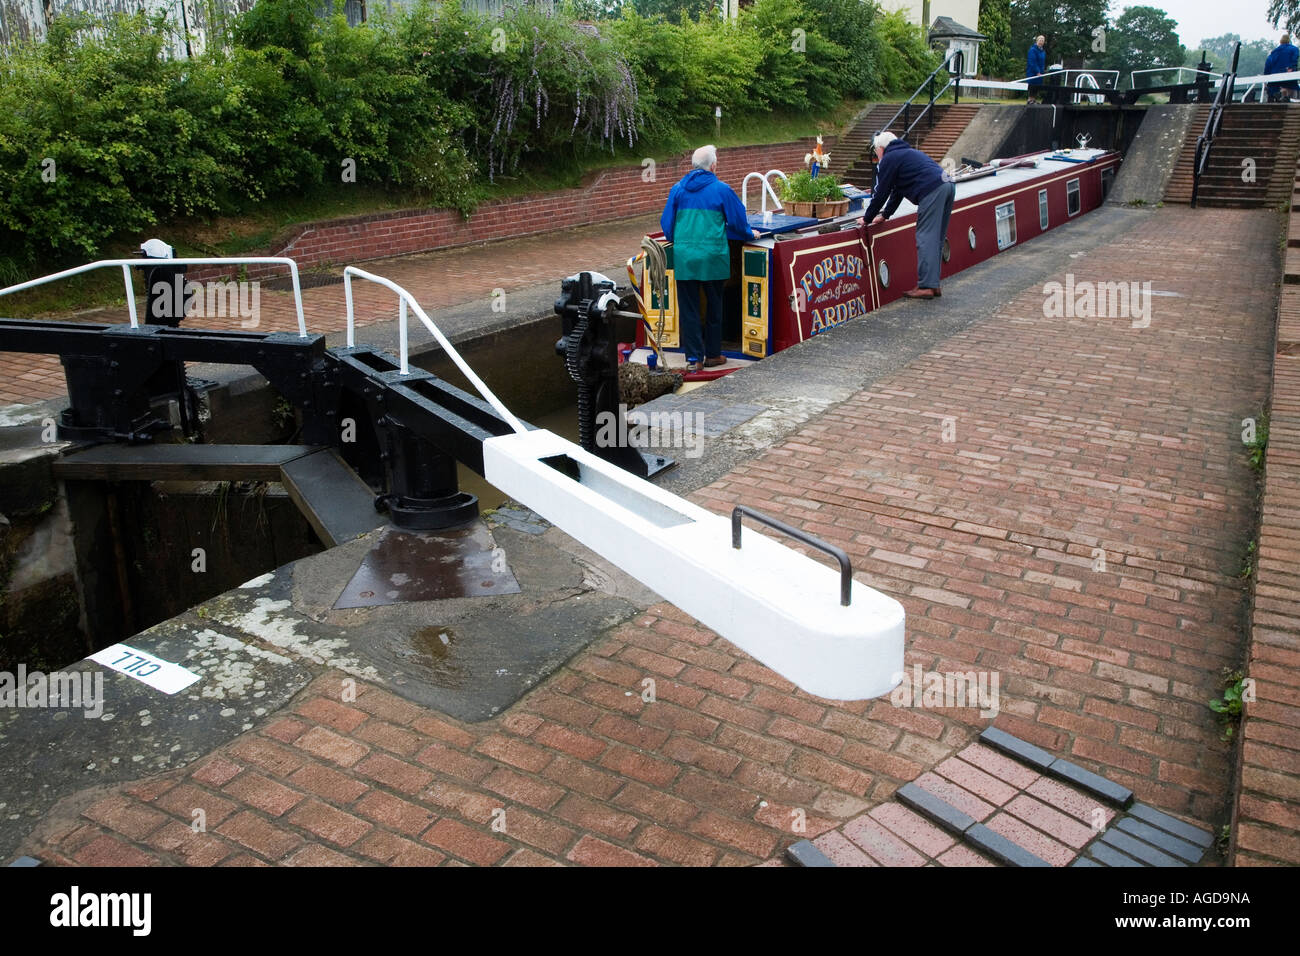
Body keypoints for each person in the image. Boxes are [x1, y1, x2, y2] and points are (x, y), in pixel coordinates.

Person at [660, 145, 761, 371]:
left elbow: (667, 227)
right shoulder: (722, 189)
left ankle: (693, 359)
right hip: (713, 259)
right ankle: (714, 355)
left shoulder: (677, 190)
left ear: (692, 166)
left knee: (690, 310)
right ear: (713, 166)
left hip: (685, 259)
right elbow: (737, 221)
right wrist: (750, 234)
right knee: (715, 308)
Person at [861, 132, 955, 300]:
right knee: (937, 239)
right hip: (947, 185)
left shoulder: (889, 159)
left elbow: (881, 193)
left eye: (876, 151)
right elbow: (897, 190)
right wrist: (886, 215)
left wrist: (867, 218)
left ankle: (926, 286)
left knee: (925, 237)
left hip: (932, 190)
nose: (876, 155)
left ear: (881, 148)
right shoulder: (907, 153)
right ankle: (933, 284)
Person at [1265, 34, 1299, 102]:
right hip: (1287, 72)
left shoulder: (1274, 52)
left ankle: (1279, 95)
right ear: (1288, 41)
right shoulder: (1294, 49)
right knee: (1291, 86)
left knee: (1274, 88)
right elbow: (1294, 59)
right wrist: (1291, 67)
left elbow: (1268, 63)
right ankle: (1286, 97)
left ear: (1281, 41)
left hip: (1275, 75)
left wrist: (1266, 75)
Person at [1026, 35, 1046, 104]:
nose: (1041, 42)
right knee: (1032, 86)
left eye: (1043, 40)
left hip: (1040, 73)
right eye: (1040, 40)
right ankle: (1030, 100)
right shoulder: (1032, 50)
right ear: (1037, 41)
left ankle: (1034, 99)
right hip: (1033, 72)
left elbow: (1042, 62)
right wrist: (1037, 71)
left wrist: (1042, 71)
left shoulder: (1043, 51)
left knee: (1037, 87)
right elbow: (1032, 62)